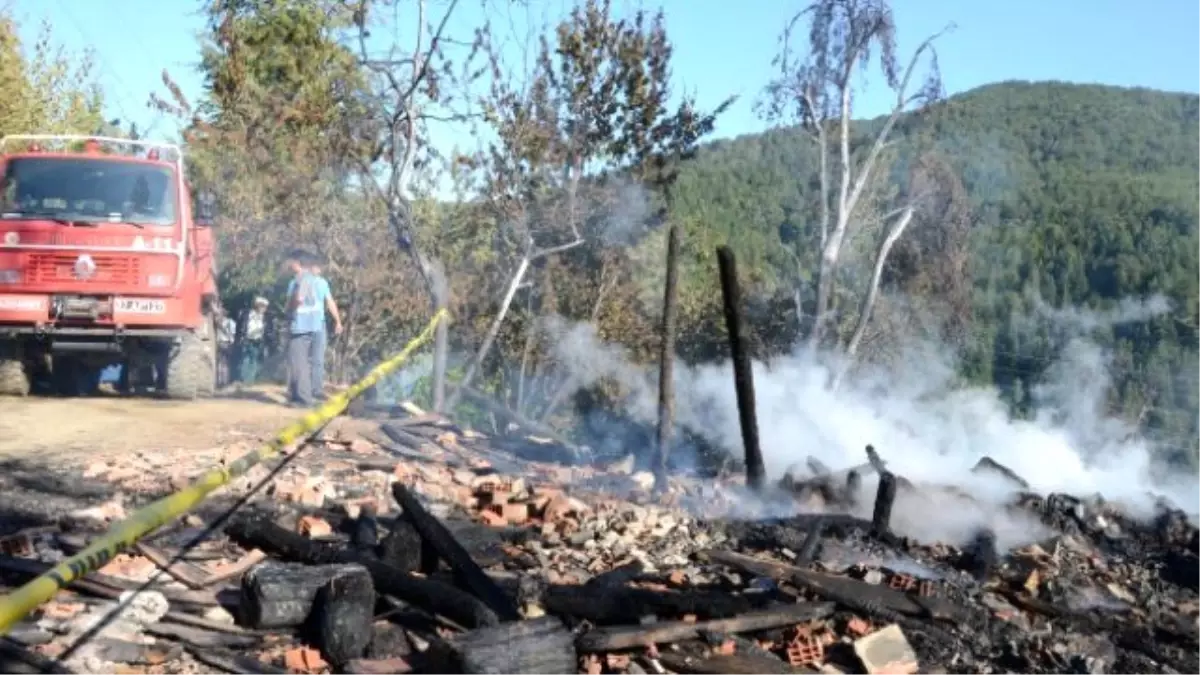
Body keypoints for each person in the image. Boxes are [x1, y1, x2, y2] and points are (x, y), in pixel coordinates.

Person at [282, 250, 341, 407]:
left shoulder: (302, 279)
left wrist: (289, 310)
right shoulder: (316, 281)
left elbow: (299, 299)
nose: (290, 265)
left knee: (299, 362)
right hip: (314, 325)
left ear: (298, 263)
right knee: (309, 361)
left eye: (292, 262)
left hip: (302, 325)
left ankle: (303, 398)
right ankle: (302, 395)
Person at [307, 259, 343, 401]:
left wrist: (338, 321)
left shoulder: (323, 283)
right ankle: (300, 389)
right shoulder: (304, 281)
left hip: (319, 323)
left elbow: (330, 301)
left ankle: (316, 389)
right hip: (305, 322)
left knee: (318, 358)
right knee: (303, 357)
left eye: (319, 267)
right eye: (316, 266)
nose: (318, 269)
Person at [236, 296, 270, 385]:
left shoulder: (265, 318)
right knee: (246, 359)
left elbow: (266, 330)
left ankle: (250, 380)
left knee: (254, 359)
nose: (264, 309)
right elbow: (241, 326)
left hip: (257, 341)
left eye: (265, 307)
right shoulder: (248, 314)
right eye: (262, 306)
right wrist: (240, 337)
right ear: (257, 306)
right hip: (247, 339)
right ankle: (244, 379)